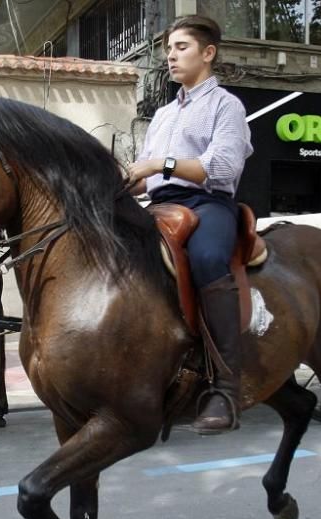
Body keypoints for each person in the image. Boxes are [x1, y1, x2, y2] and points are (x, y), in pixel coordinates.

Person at [126, 14, 253, 434]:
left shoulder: (226, 106)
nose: (171, 57)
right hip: (159, 203)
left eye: (181, 47)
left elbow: (223, 166)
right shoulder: (162, 114)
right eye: (168, 50)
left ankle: (226, 387)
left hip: (207, 203)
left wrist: (160, 163)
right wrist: (124, 179)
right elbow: (146, 177)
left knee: (207, 257)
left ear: (208, 53)